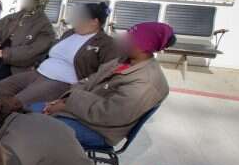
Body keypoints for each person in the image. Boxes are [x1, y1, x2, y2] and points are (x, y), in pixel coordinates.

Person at [34, 21, 174, 147]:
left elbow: (110, 114)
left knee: (39, 128)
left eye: (130, 38)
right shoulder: (122, 60)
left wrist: (66, 105)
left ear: (144, 45)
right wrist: (63, 100)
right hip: (82, 113)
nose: (123, 39)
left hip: (100, 130)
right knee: (28, 110)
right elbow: (89, 80)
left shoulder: (147, 81)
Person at [0, 1, 119, 108]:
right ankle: (10, 115)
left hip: (62, 82)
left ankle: (5, 123)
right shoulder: (70, 33)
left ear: (94, 22)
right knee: (2, 87)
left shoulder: (105, 43)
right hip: (40, 73)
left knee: (17, 101)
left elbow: (106, 71)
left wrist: (82, 86)